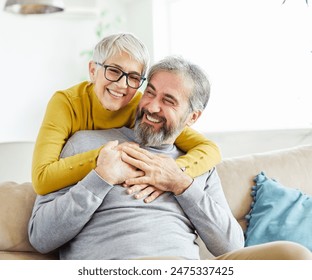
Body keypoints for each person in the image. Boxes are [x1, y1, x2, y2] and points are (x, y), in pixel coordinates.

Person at [28, 56, 312, 260]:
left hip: (184, 269)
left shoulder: (195, 166)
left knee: (293, 255)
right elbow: (41, 238)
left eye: (168, 100)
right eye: (149, 93)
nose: (151, 106)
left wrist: (182, 186)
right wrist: (100, 179)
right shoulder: (86, 145)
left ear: (193, 117)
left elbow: (231, 246)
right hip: (118, 268)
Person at [31, 32, 221, 201]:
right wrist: (105, 157)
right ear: (93, 71)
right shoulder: (66, 103)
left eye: (133, 77)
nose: (122, 85)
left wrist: (168, 172)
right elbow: (41, 179)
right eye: (113, 70)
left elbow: (209, 149)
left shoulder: (141, 107)